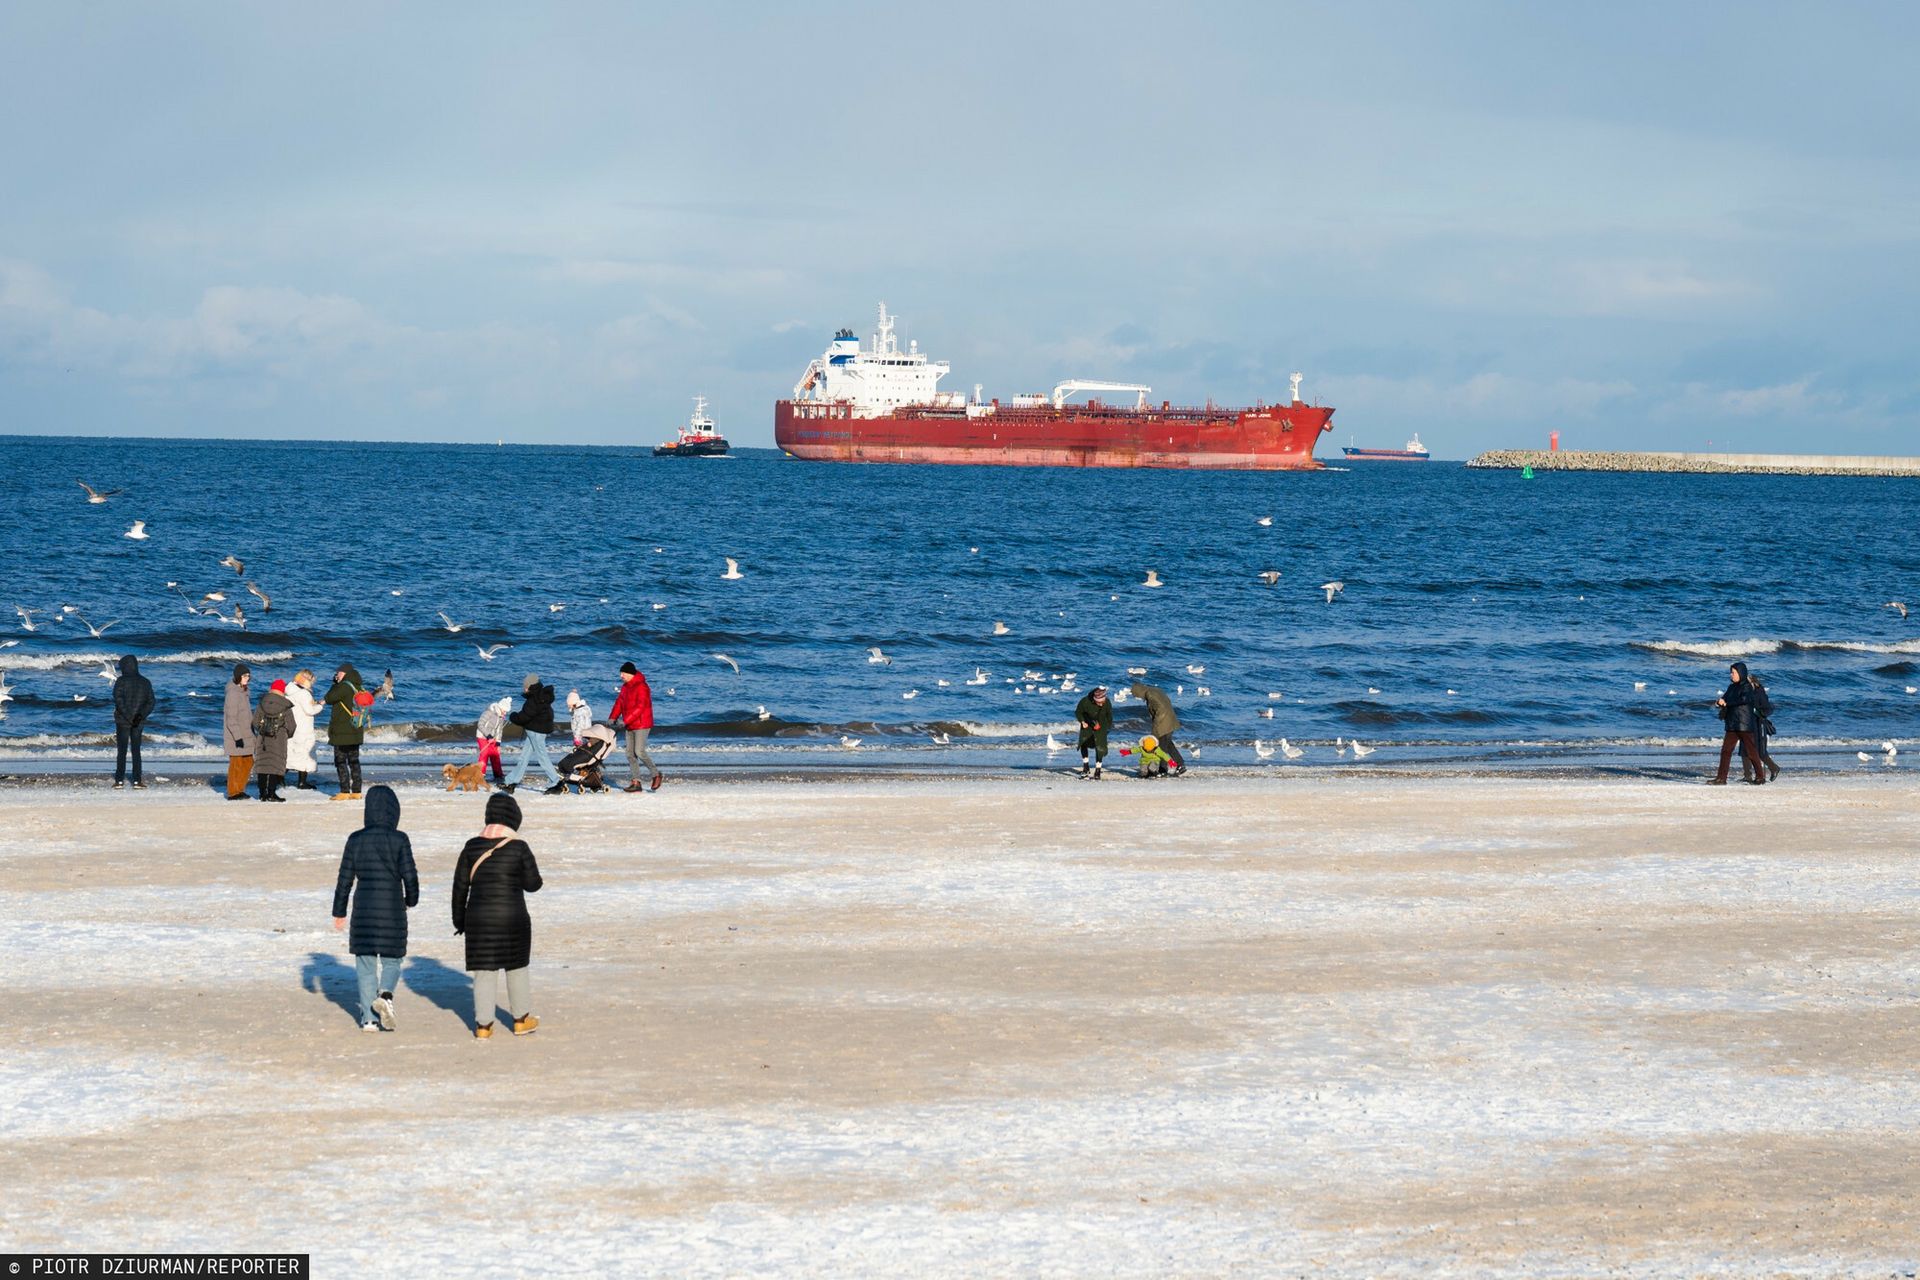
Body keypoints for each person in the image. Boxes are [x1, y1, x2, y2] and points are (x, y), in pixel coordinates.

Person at [452, 793, 543, 1040]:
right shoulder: (519, 847)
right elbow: (534, 884)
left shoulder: (471, 847)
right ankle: (521, 1020)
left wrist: (459, 921)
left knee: (484, 971)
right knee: (516, 968)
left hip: (478, 919)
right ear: (514, 819)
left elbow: (460, 888)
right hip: (513, 918)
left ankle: (483, 1026)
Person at [330, 785, 420, 1033]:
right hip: (392, 909)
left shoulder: (355, 839)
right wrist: (411, 900)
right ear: (394, 811)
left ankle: (369, 1019)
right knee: (392, 960)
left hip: (364, 911)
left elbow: (344, 880)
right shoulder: (400, 839)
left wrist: (339, 912)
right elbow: (410, 876)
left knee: (366, 966)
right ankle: (387, 995)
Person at [608, 660, 663, 793]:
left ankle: (656, 774)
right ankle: (636, 782)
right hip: (630, 724)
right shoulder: (625, 687)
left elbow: (640, 707)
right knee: (629, 754)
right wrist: (612, 717)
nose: (621, 676)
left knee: (639, 751)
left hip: (642, 724)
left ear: (630, 673)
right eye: (621, 673)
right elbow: (619, 703)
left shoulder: (642, 687)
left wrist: (625, 720)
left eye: (623, 673)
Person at [1712, 661, 1768, 785]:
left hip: (1744, 724)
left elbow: (1744, 699)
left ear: (1741, 673)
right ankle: (1721, 778)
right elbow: (1726, 699)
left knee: (1751, 751)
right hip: (1731, 724)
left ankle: (1760, 777)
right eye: (1731, 673)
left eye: (1733, 672)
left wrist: (1727, 703)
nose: (1731, 675)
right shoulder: (1731, 687)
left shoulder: (1747, 686)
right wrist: (1719, 703)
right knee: (1726, 751)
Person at [502, 674, 560, 794]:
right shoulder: (541, 696)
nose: (524, 688)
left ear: (529, 686)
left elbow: (524, 717)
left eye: (525, 686)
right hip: (535, 730)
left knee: (542, 757)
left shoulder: (534, 699)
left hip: (537, 732)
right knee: (524, 757)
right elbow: (531, 714)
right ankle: (511, 782)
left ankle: (556, 782)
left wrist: (513, 716)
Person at [324, 663, 369, 800]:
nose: (336, 675)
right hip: (356, 729)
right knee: (354, 761)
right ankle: (356, 791)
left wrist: (334, 684)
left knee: (340, 760)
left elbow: (329, 698)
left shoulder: (343, 686)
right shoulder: (360, 687)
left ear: (345, 673)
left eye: (338, 673)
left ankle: (344, 791)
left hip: (342, 731)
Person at [110, 654, 154, 790]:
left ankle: (119, 781)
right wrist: (138, 717)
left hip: (123, 721)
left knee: (121, 751)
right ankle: (137, 781)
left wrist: (128, 717)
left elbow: (118, 699)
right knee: (136, 751)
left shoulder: (121, 681)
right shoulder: (145, 682)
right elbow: (151, 702)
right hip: (138, 722)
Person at [1127, 681, 1187, 775]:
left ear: (1139, 691)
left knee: (1161, 747)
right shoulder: (1153, 690)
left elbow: (1160, 709)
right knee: (1168, 744)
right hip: (1170, 719)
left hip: (1163, 722)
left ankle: (1163, 770)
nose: (1137, 697)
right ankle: (1180, 765)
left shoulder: (1150, 694)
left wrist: (1156, 726)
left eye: (1136, 695)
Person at [252, 678, 295, 802]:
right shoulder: (286, 706)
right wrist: (286, 735)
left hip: (263, 739)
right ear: (282, 691)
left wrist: (261, 730)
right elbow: (292, 726)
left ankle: (262, 794)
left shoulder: (262, 703)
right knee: (275, 765)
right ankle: (271, 793)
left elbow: (255, 722)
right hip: (279, 739)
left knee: (263, 765)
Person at [284, 669, 324, 790]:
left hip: (292, 726)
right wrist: (320, 705)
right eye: (311, 680)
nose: (312, 683)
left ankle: (278, 779)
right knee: (305, 755)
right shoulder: (304, 693)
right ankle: (302, 783)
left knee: (289, 755)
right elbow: (310, 710)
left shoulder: (289, 691)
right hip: (304, 728)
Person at [1740, 670, 1781, 783]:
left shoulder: (1760, 692)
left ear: (1753, 682)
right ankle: (1747, 775)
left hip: (1759, 725)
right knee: (1744, 749)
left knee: (1760, 752)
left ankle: (1774, 768)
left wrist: (1757, 712)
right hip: (1746, 724)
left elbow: (1767, 709)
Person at [223, 663, 256, 801]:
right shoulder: (233, 693)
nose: (246, 678)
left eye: (248, 676)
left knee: (248, 762)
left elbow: (246, 715)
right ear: (238, 677)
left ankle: (240, 789)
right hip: (236, 736)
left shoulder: (244, 692)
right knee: (236, 764)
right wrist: (237, 737)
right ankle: (233, 792)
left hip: (247, 734)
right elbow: (231, 718)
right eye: (244, 676)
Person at [1074, 685, 1113, 779]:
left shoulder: (1107, 702)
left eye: (1103, 701)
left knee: (1100, 748)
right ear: (1094, 699)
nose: (1102, 704)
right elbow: (1078, 712)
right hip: (1087, 726)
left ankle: (1098, 771)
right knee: (1083, 743)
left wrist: (1106, 728)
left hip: (1101, 727)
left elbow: (1110, 716)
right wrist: (1082, 722)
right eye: (1099, 702)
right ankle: (1086, 767)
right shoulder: (1085, 701)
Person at [475, 695, 512, 788]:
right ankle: (480, 775)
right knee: (485, 754)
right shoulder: (489, 712)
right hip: (483, 736)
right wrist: (488, 736)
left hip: (493, 738)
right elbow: (480, 724)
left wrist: (498, 742)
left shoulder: (501, 716)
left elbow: (500, 730)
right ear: (500, 707)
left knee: (495, 754)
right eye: (504, 711)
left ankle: (498, 775)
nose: (505, 714)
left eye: (506, 712)